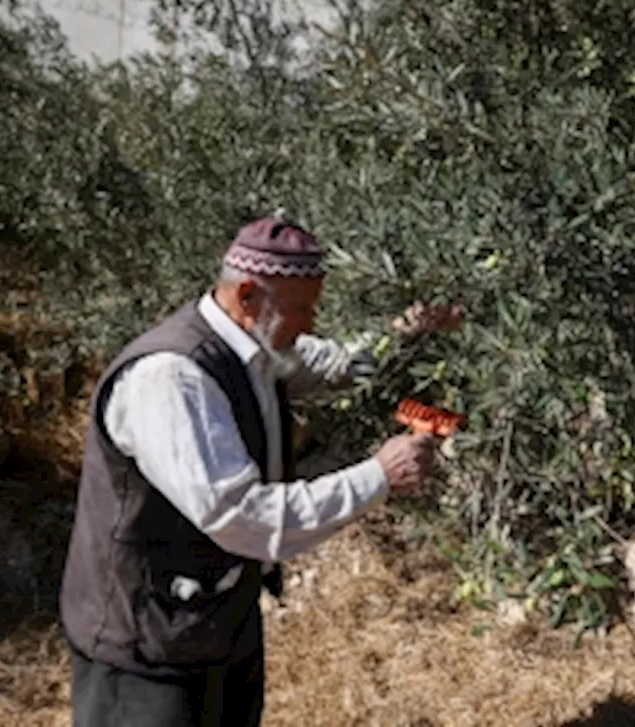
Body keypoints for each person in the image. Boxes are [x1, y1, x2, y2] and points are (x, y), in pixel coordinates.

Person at [60, 215, 464, 727]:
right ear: (248, 297)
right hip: (147, 649)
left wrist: (410, 335)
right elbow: (242, 515)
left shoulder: (260, 349)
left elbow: (342, 364)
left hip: (214, 624)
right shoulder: (172, 378)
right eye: (301, 308)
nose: (311, 323)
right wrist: (380, 475)